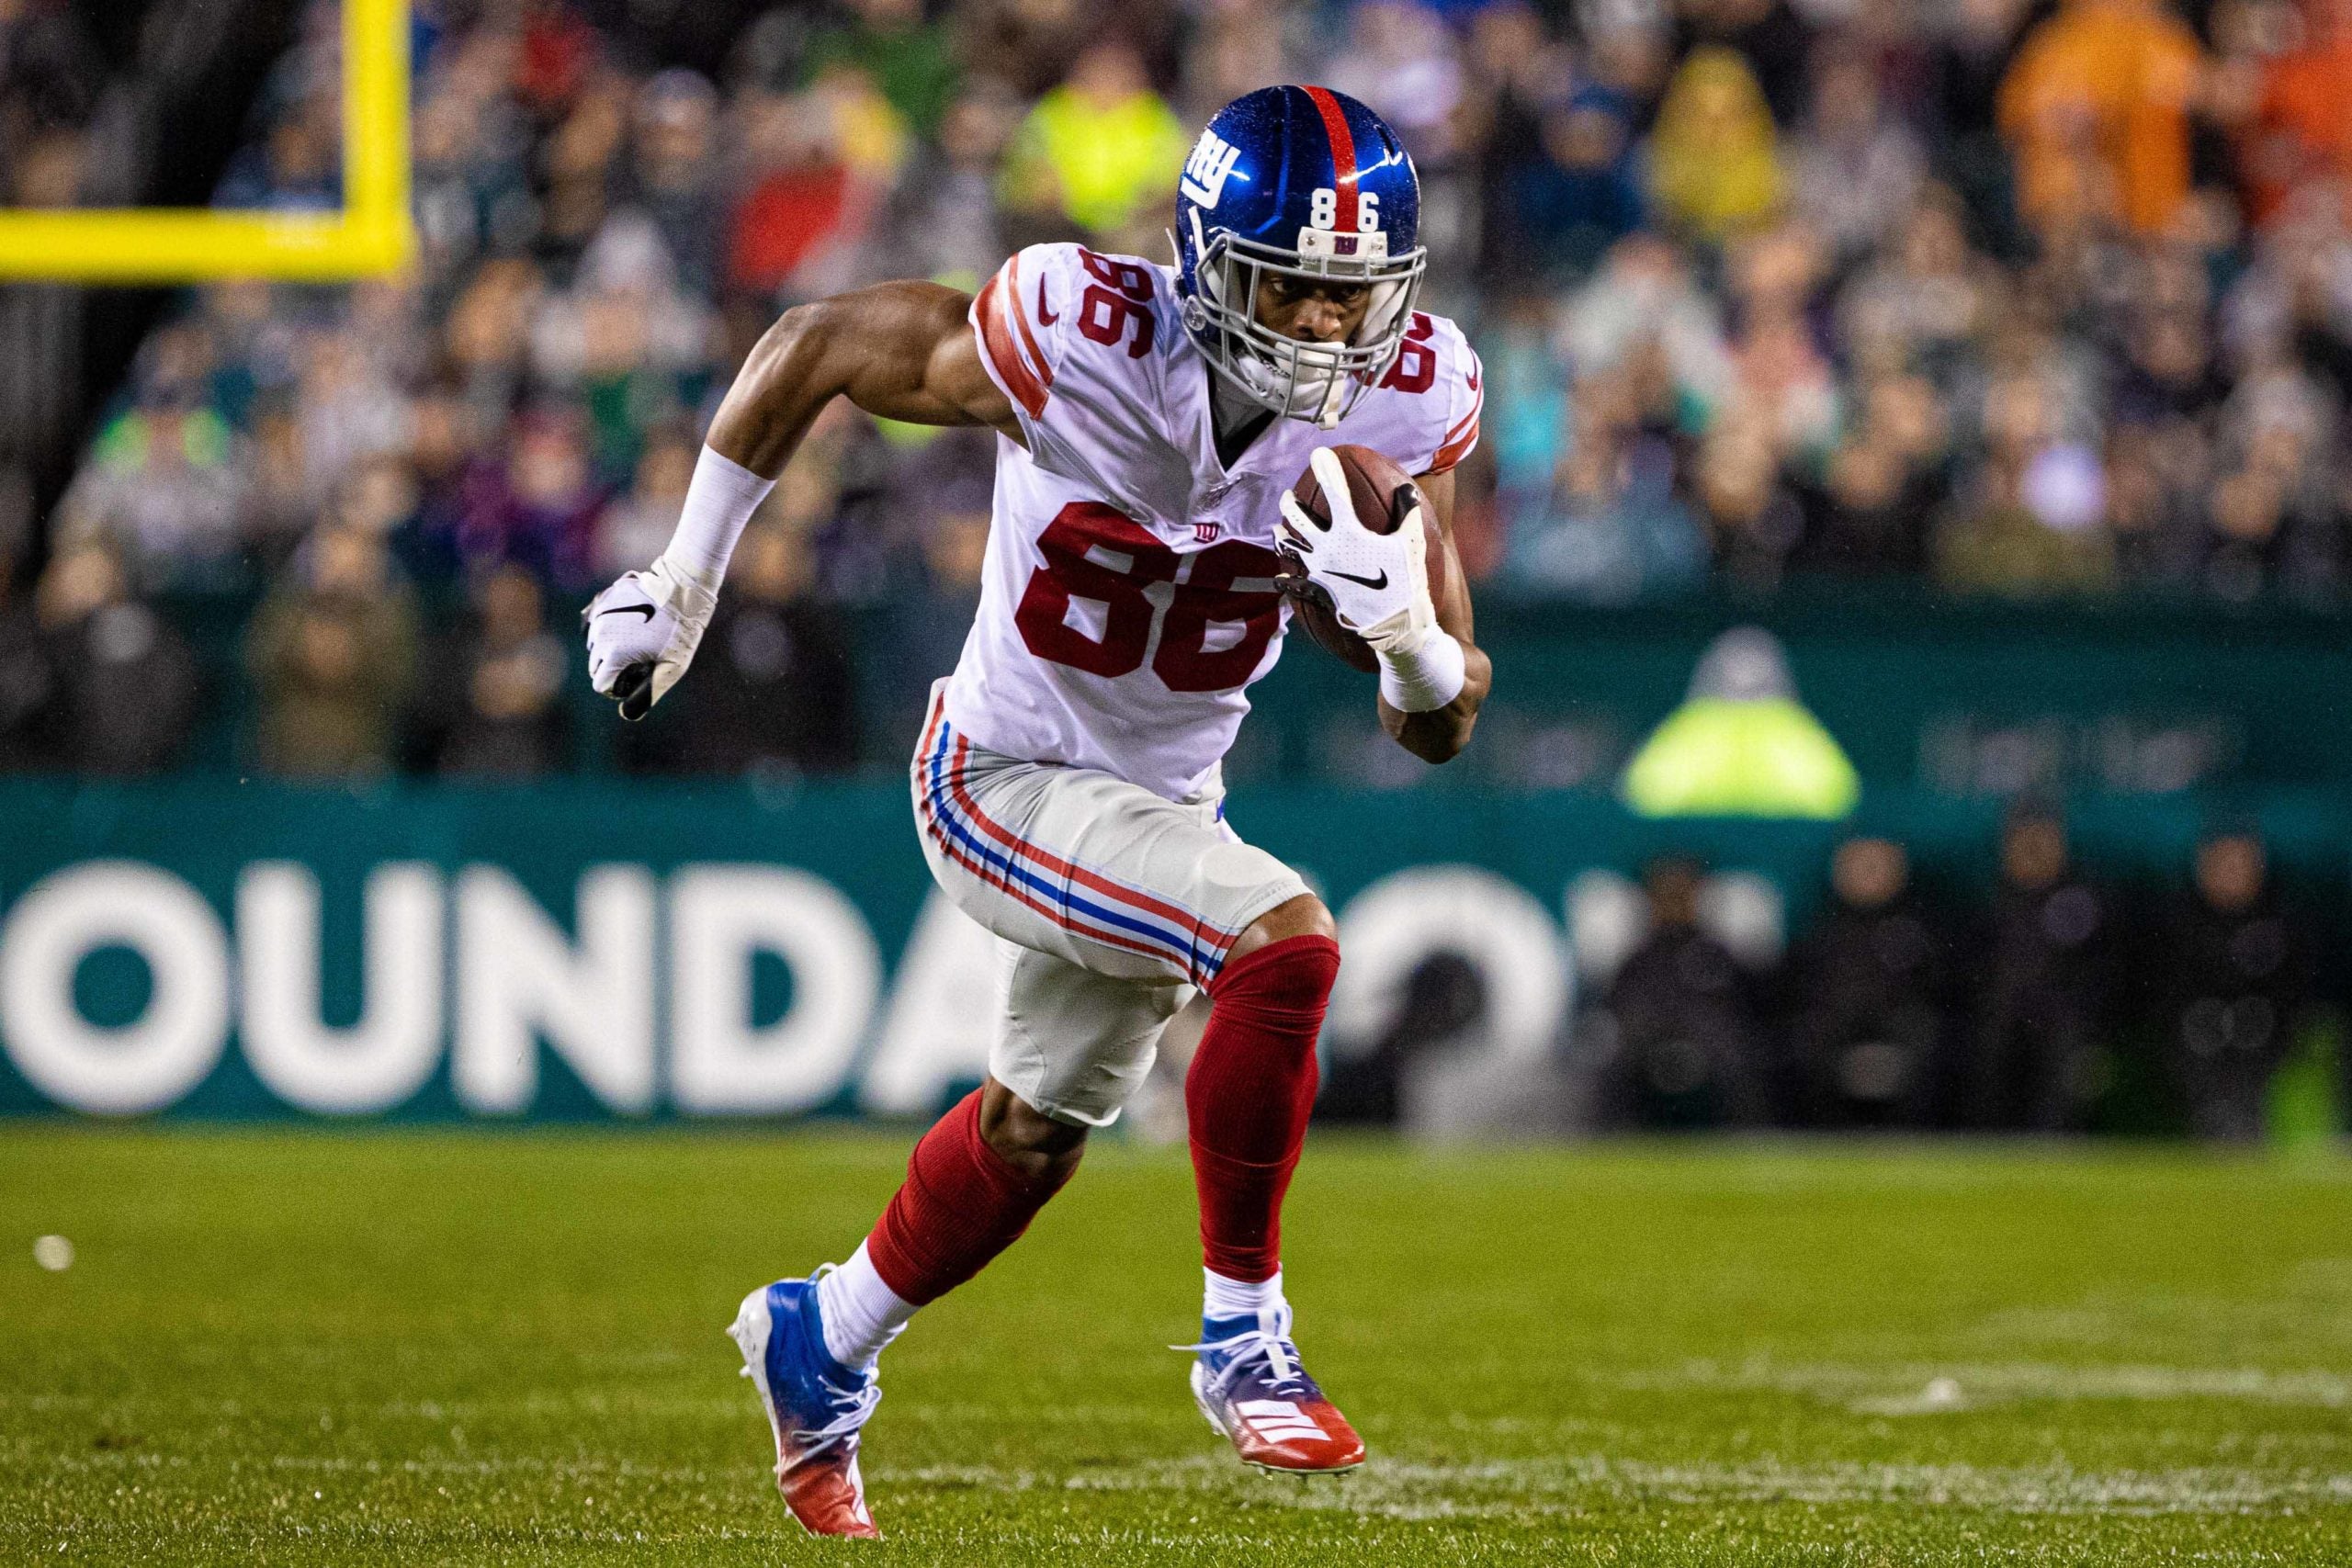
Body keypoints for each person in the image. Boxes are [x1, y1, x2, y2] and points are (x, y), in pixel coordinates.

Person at [582, 85, 1489, 1536]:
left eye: (1351, 299)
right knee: (1286, 945)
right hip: (999, 775)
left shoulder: (1409, 402)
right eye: (1292, 292)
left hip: (1153, 797)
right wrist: (683, 587)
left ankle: (824, 1336)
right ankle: (1244, 1334)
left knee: (1035, 1131)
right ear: (1207, 266)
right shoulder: (1083, 332)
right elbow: (812, 345)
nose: (1325, 331)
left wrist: (1410, 643)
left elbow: (1442, 723)